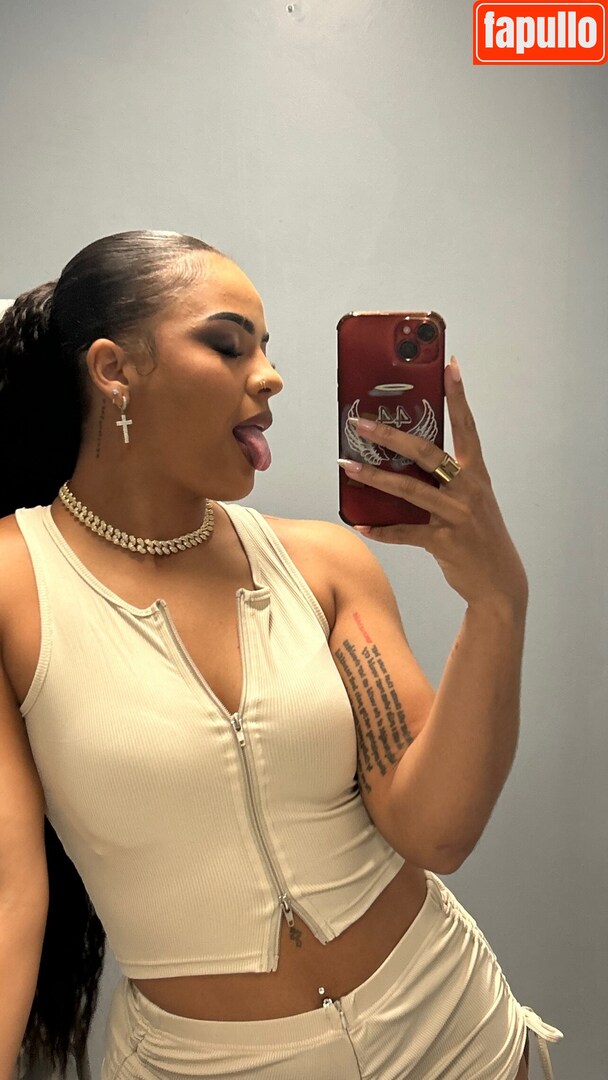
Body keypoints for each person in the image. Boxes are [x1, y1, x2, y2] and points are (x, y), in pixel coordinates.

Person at [0, 231, 562, 1080]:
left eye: (266, 348)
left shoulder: (323, 564)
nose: (270, 376)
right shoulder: (13, 587)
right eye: (229, 345)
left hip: (453, 1032)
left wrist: (497, 604)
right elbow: (11, 897)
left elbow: (436, 832)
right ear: (114, 370)